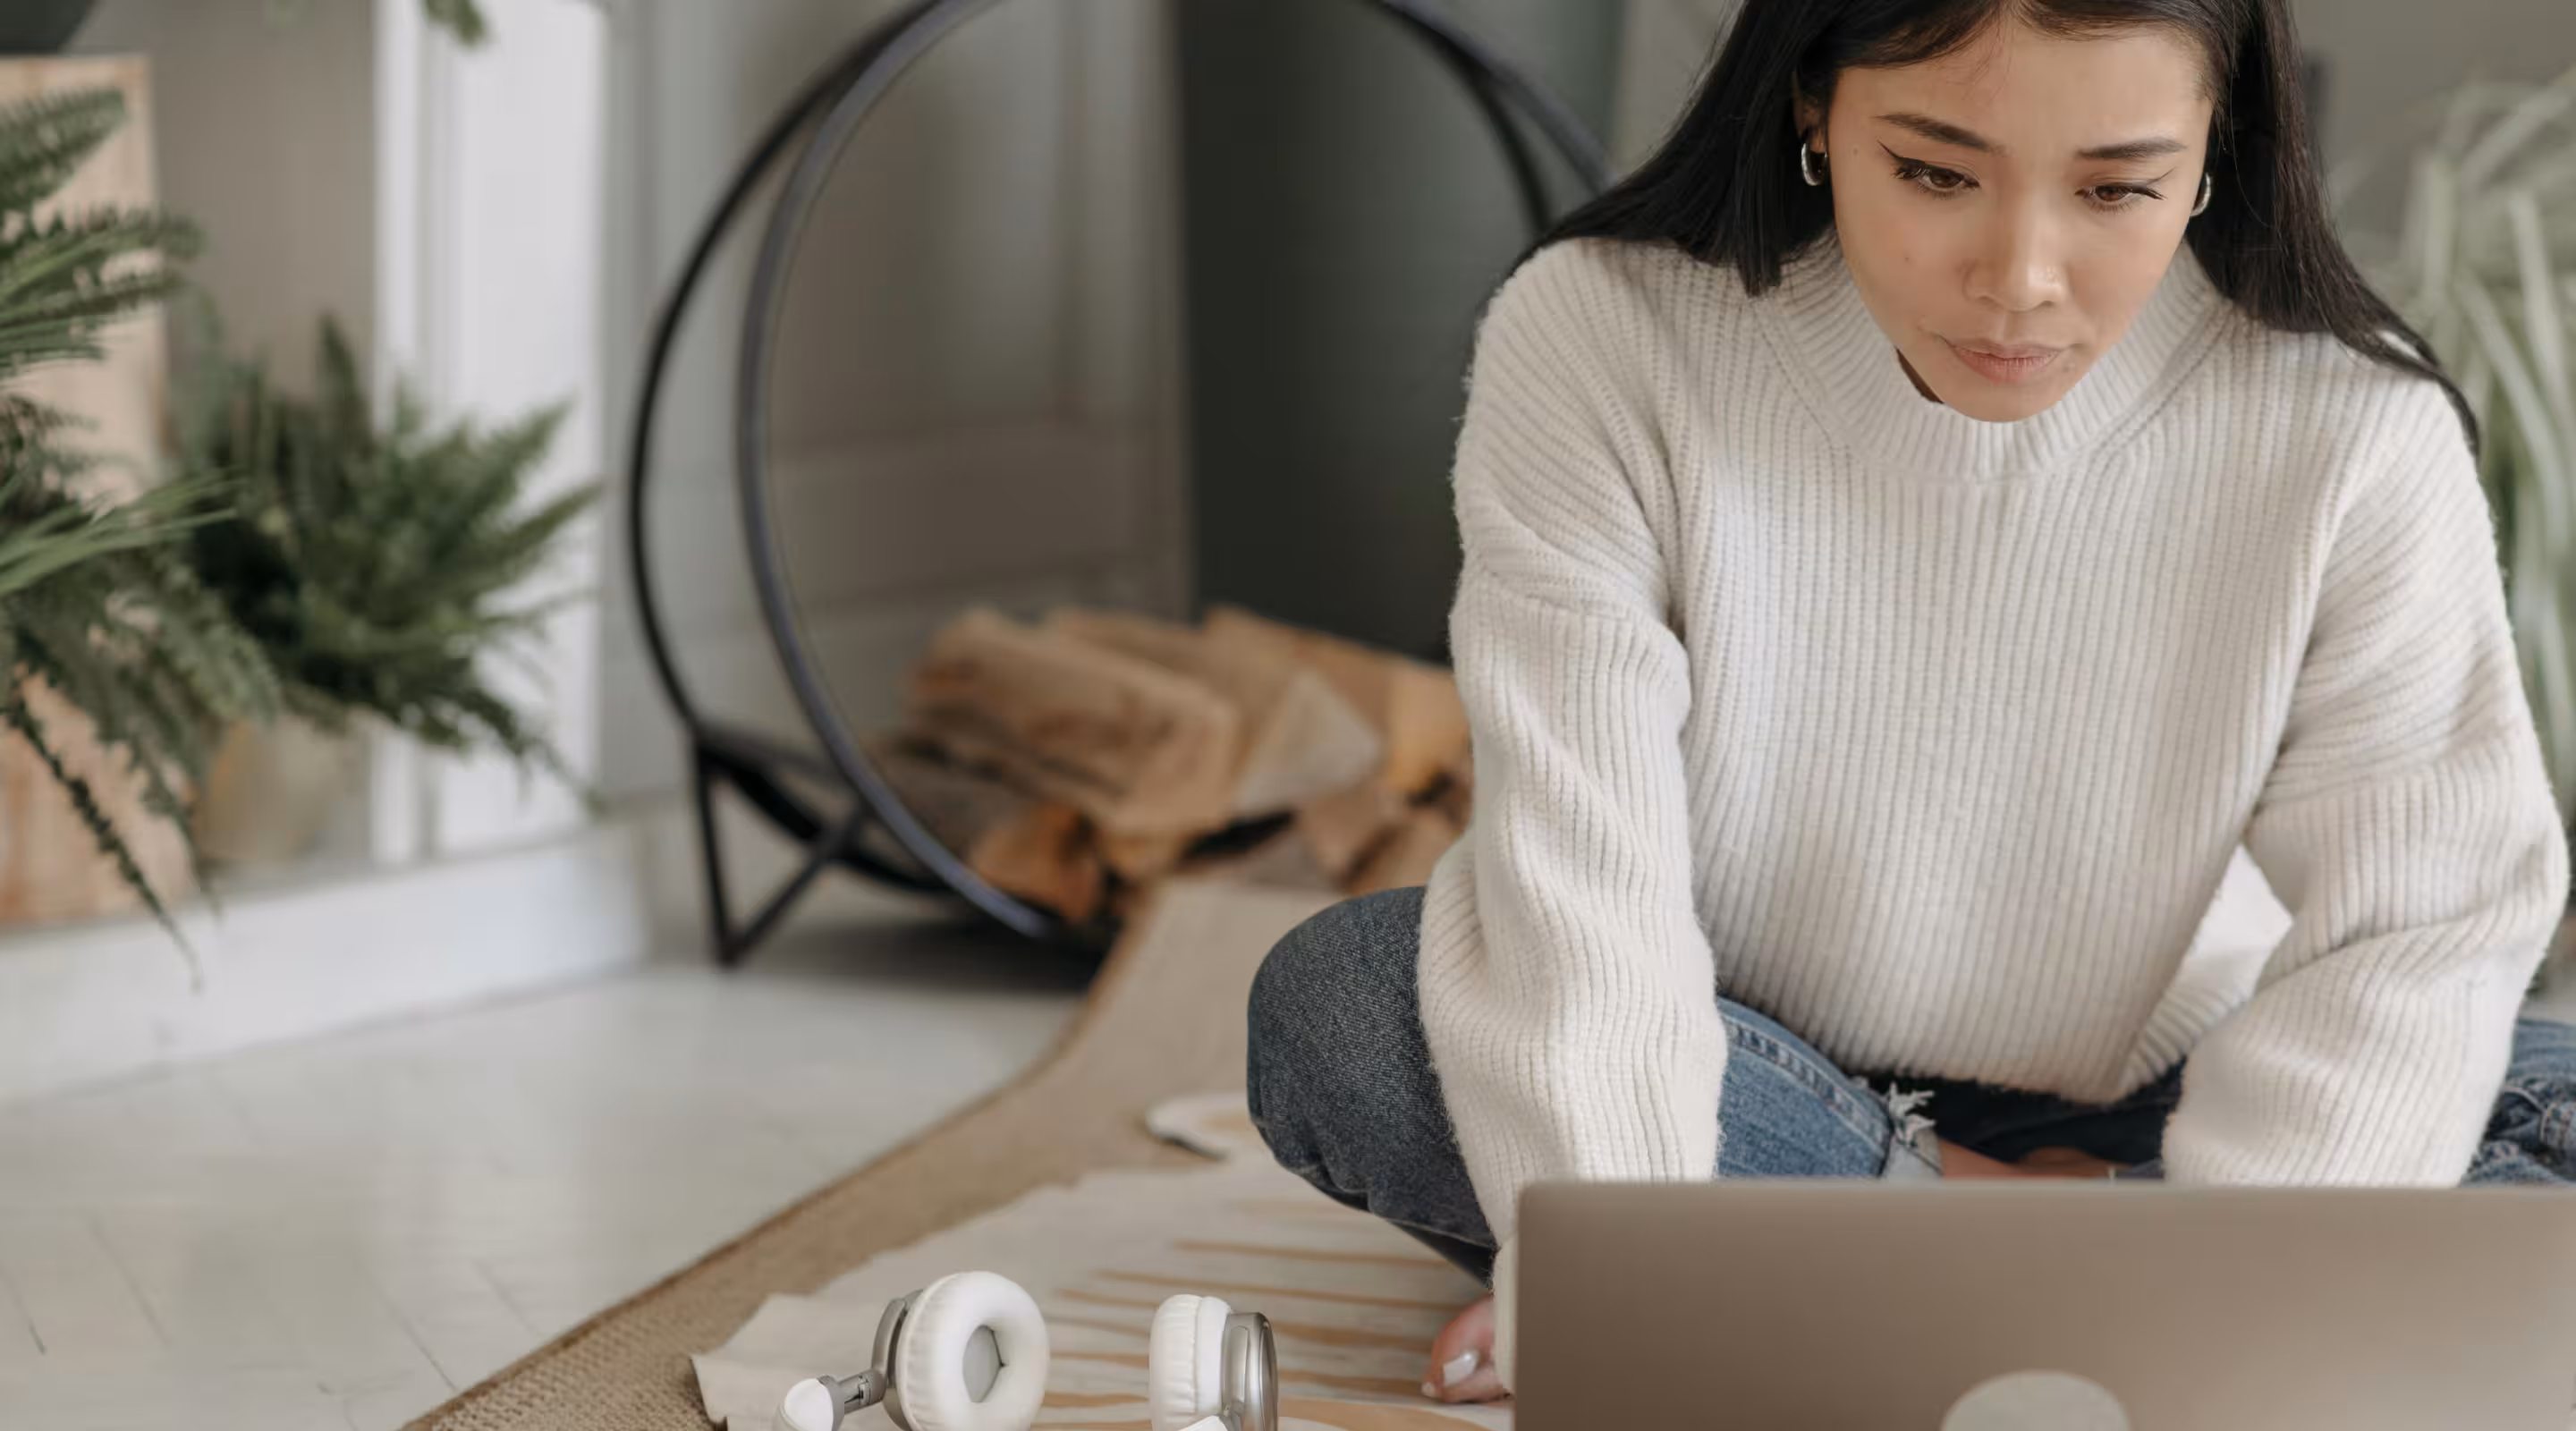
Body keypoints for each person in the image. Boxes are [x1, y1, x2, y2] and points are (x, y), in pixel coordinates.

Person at [1242, 0, 2576, 1408]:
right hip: (1737, 1060)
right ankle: (1985, 1261)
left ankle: (1867, 1283)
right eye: (1936, 173)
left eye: (2118, 186)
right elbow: (1580, 878)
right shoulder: (1601, 335)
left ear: (2217, 147)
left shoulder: (2354, 429)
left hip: (2163, 1095)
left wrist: (2219, 1239)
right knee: (1346, 1012)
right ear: (1815, 106)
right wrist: (1621, 1271)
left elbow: (2420, 927)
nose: (2019, 279)